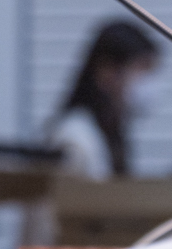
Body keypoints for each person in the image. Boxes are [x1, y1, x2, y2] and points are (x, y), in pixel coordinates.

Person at [45, 20, 162, 180]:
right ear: (107, 70)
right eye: (143, 68)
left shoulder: (110, 131)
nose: (149, 81)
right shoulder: (74, 139)